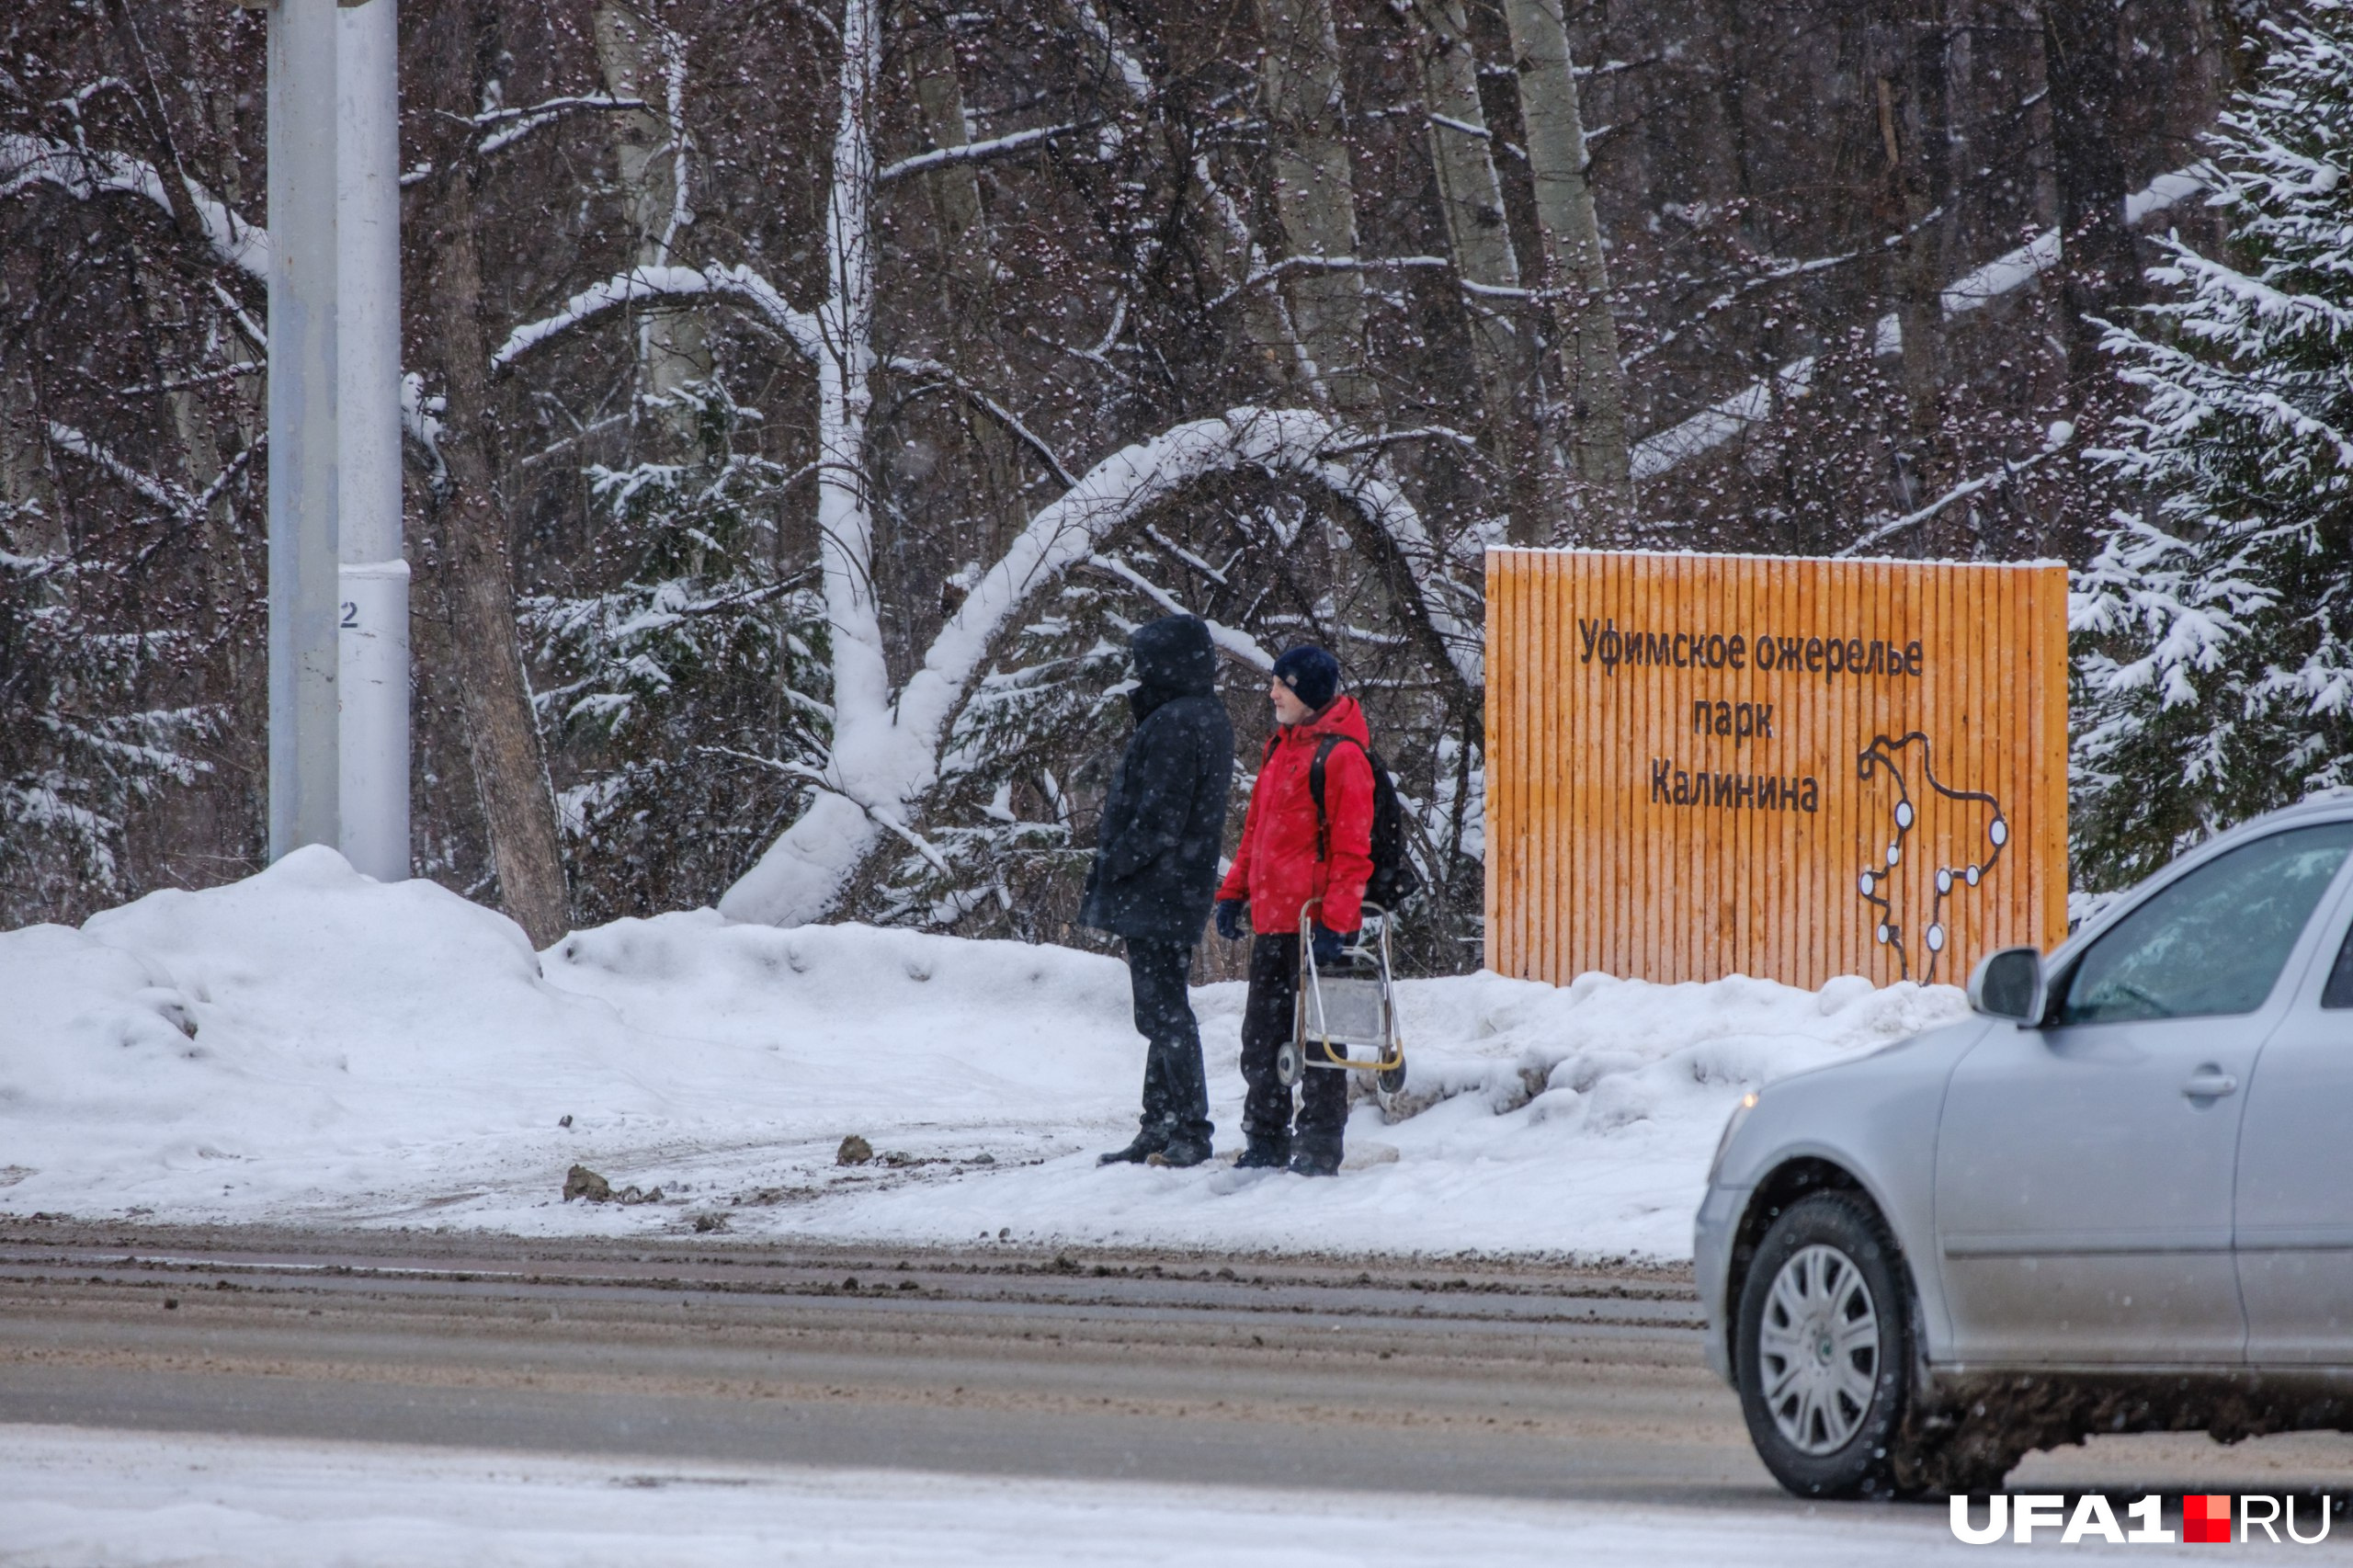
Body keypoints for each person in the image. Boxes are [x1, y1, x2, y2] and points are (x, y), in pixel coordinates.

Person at [1080, 615, 1236, 1167]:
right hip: (1173, 885)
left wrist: (1115, 862)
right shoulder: (1200, 714)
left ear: (1167, 663)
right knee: (1163, 1010)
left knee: (1164, 1013)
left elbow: (1160, 819)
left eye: (1146, 660)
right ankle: (1161, 1124)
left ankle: (1189, 1129)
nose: (1138, 670)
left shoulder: (1177, 721)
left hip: (1158, 888)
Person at [1212, 643, 1374, 1177]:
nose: (1273, 692)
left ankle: (1321, 1145)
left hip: (1316, 927)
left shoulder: (1342, 756)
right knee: (1262, 1039)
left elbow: (1354, 851)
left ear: (1308, 693)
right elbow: (1255, 835)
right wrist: (1234, 893)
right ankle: (1264, 1139)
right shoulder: (1279, 750)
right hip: (1275, 923)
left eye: (1283, 683)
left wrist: (1336, 921)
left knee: (1321, 1045)